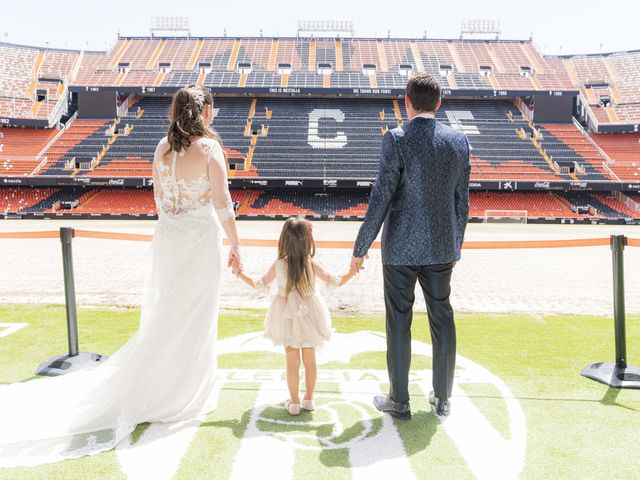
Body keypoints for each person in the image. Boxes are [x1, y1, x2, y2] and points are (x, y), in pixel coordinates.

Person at [0, 85, 242, 466]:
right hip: (199, 244)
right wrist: (237, 246)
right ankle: (185, 393)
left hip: (170, 241)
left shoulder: (162, 149)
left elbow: (162, 204)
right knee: (196, 318)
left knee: (167, 317)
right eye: (212, 109)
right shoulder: (210, 150)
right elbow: (223, 205)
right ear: (205, 111)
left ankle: (168, 385)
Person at [350, 73, 471, 419]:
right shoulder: (458, 141)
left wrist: (361, 246)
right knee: (442, 319)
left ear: (407, 101)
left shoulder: (397, 139)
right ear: (439, 103)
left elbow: (381, 198)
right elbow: (462, 202)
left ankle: (399, 401)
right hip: (441, 248)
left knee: (399, 323)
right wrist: (456, 246)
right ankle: (443, 398)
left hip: (400, 249)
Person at [232, 217, 354, 415]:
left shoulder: (279, 265)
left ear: (284, 240)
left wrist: (239, 272)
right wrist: (353, 271)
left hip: (285, 314)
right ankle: (309, 400)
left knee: (291, 362)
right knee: (310, 360)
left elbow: (259, 284)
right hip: (310, 313)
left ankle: (294, 403)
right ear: (307, 239)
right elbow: (335, 281)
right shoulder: (311, 263)